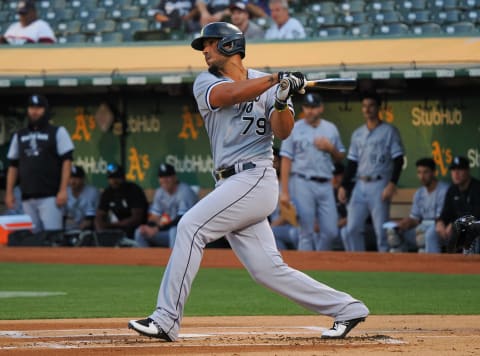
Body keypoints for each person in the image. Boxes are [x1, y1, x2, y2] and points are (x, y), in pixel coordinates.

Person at [128, 21, 368, 342]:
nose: (205, 50)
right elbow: (230, 94)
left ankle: (166, 319)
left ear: (229, 45)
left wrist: (281, 99)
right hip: (229, 183)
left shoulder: (267, 84)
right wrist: (275, 80)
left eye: (210, 44)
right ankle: (347, 308)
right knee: (268, 271)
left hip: (255, 176)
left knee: (191, 227)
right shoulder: (206, 83)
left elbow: (283, 131)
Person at [338, 92, 405, 252]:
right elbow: (352, 163)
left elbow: (399, 159)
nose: (367, 109)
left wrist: (392, 183)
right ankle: (358, 264)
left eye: (371, 106)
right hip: (360, 184)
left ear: (378, 108)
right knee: (352, 228)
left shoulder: (389, 131)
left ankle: (384, 268)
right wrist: (344, 185)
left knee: (381, 231)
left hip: (379, 183)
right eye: (364, 106)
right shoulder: (357, 133)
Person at [280, 93, 345, 250]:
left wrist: (331, 148)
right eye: (307, 107)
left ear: (321, 108)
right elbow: (286, 160)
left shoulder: (330, 128)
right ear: (303, 108)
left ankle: (319, 261)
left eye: (314, 107)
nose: (310, 111)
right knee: (306, 231)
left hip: (325, 183)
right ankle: (307, 269)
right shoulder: (294, 128)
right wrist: (284, 192)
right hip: (302, 181)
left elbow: (340, 156)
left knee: (331, 231)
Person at [5, 94, 73, 235]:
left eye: (38, 108)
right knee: (32, 239)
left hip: (51, 196)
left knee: (53, 236)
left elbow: (67, 161)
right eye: (31, 108)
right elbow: (13, 165)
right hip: (27, 196)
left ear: (45, 110)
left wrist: (63, 190)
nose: (34, 111)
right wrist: (9, 192)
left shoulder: (57, 132)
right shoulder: (19, 135)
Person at [385, 158, 449, 253]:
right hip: (421, 230)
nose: (422, 176)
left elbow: (442, 220)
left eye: (425, 172)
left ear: (434, 172)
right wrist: (404, 223)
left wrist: (419, 223)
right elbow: (415, 218)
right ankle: (401, 266)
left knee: (421, 234)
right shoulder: (419, 193)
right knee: (394, 234)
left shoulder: (445, 190)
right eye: (419, 173)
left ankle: (429, 266)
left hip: (439, 232)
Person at [134, 163, 198, 248]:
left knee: (174, 231)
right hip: (168, 232)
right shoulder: (160, 192)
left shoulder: (184, 191)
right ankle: (146, 260)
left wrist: (157, 229)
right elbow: (154, 217)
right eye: (162, 177)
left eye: (168, 177)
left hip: (189, 234)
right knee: (140, 232)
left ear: (175, 177)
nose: (164, 180)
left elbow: (181, 219)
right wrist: (149, 227)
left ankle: (175, 260)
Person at [436, 156, 480, 253]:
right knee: (432, 233)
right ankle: (432, 266)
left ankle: (470, 266)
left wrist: (455, 224)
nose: (456, 173)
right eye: (453, 170)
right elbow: (446, 213)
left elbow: (476, 216)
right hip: (457, 229)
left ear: (468, 171)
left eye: (460, 169)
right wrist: (440, 222)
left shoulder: (477, 188)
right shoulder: (452, 190)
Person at [95, 163, 148, 242]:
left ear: (123, 177)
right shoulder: (108, 192)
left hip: (135, 228)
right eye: (111, 178)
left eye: (117, 177)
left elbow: (136, 219)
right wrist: (101, 230)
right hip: (116, 228)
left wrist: (111, 225)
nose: (114, 180)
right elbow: (99, 215)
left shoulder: (133, 190)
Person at [270, 147, 299, 250]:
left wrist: (271, 227)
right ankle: (285, 260)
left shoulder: (289, 184)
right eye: (270, 162)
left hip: (292, 226)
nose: (273, 165)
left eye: (275, 162)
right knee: (271, 237)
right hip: (276, 227)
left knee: (270, 233)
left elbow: (289, 215)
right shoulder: (267, 185)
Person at [65, 165, 99, 232]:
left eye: (76, 178)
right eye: (70, 178)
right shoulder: (65, 192)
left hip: (88, 228)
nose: (72, 181)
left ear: (83, 179)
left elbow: (92, 214)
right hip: (68, 229)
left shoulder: (92, 192)